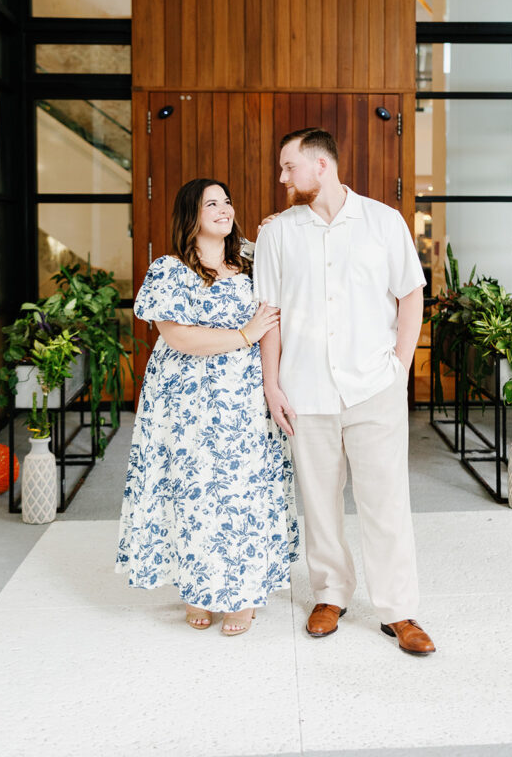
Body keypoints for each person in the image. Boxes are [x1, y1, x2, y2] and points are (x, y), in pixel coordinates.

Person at [254, 128, 435, 656]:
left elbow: (410, 297)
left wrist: (399, 368)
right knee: (320, 501)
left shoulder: (383, 222)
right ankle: (330, 594)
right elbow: (270, 317)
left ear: (321, 166)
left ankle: (398, 610)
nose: (282, 177)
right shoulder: (277, 234)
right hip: (305, 390)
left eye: (289, 167)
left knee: (386, 502)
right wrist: (272, 383)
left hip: (374, 387)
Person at [116, 178, 298, 635]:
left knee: (240, 493)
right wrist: (243, 335)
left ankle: (242, 595)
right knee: (192, 493)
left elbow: (298, 261)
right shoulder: (169, 269)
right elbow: (176, 335)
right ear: (191, 215)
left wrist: (283, 227)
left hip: (241, 402)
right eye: (210, 203)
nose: (223, 209)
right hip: (183, 403)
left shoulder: (252, 261)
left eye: (227, 201)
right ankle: (197, 590)